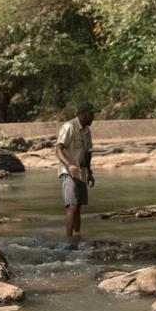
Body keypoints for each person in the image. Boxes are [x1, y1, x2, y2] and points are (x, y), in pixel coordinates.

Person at [56, 102, 95, 238]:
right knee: (72, 205)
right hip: (68, 172)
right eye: (91, 114)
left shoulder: (87, 131)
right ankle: (68, 239)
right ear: (82, 114)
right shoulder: (69, 127)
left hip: (81, 173)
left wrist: (89, 173)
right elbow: (58, 149)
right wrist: (68, 165)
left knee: (78, 206)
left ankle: (77, 236)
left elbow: (88, 153)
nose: (93, 117)